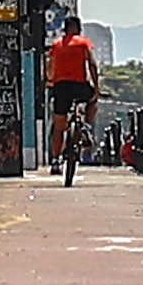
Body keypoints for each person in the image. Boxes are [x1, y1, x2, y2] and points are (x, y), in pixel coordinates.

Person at [42, 21, 96, 184]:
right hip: (79, 86)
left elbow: (50, 67)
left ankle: (56, 159)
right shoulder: (83, 43)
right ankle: (86, 125)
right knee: (93, 100)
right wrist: (96, 86)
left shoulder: (56, 44)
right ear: (78, 29)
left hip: (61, 87)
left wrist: (50, 80)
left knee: (59, 126)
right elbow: (91, 65)